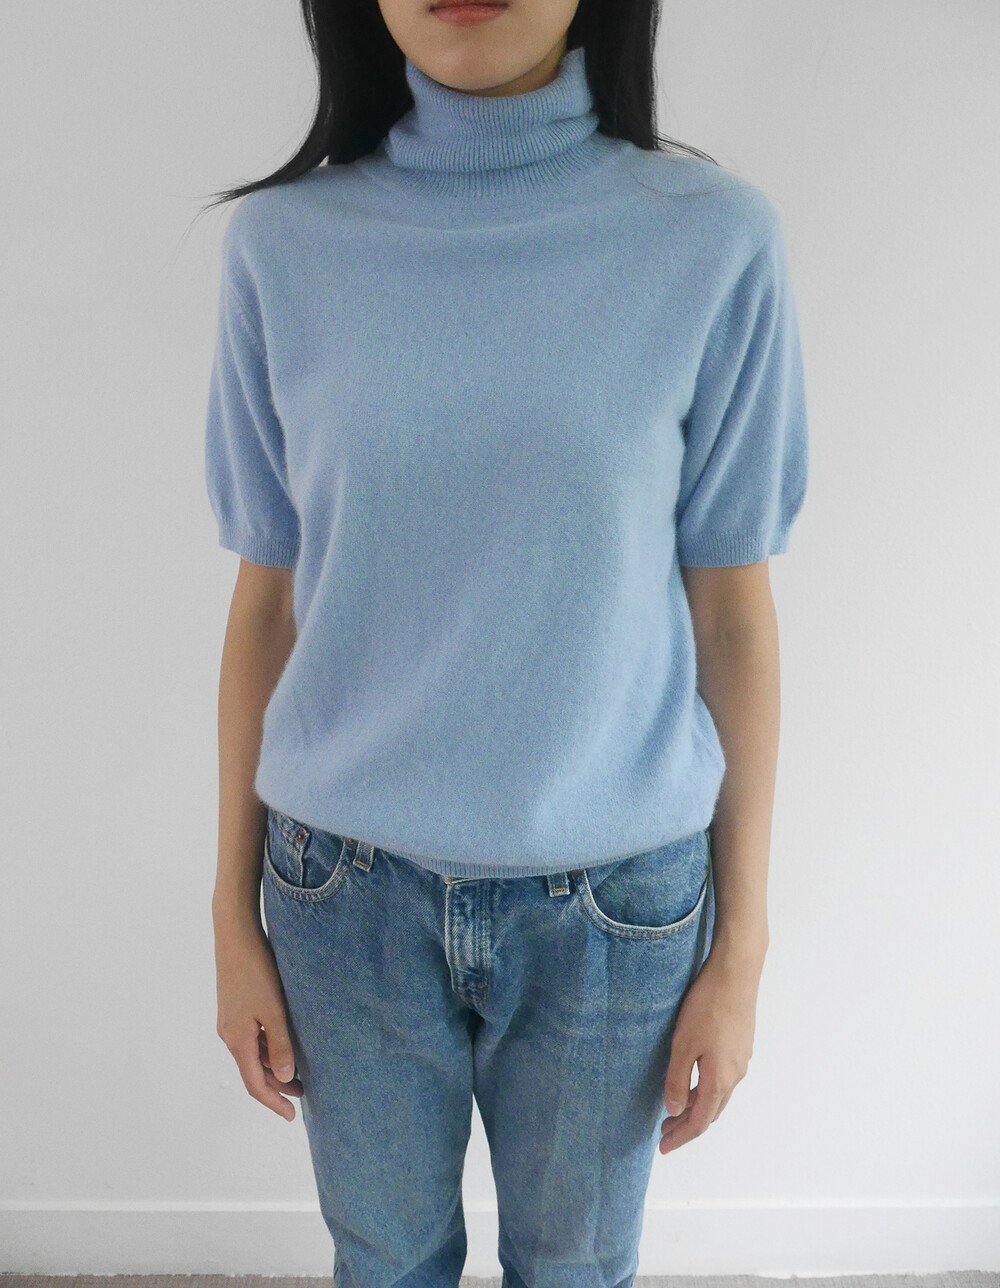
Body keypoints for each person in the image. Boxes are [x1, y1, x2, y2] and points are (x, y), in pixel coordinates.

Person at [204, 1, 809, 1285]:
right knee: (385, 1265)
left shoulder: (710, 242)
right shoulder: (283, 247)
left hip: (615, 905)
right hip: (340, 896)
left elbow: (732, 616)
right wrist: (228, 912)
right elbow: (264, 605)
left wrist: (743, 946)